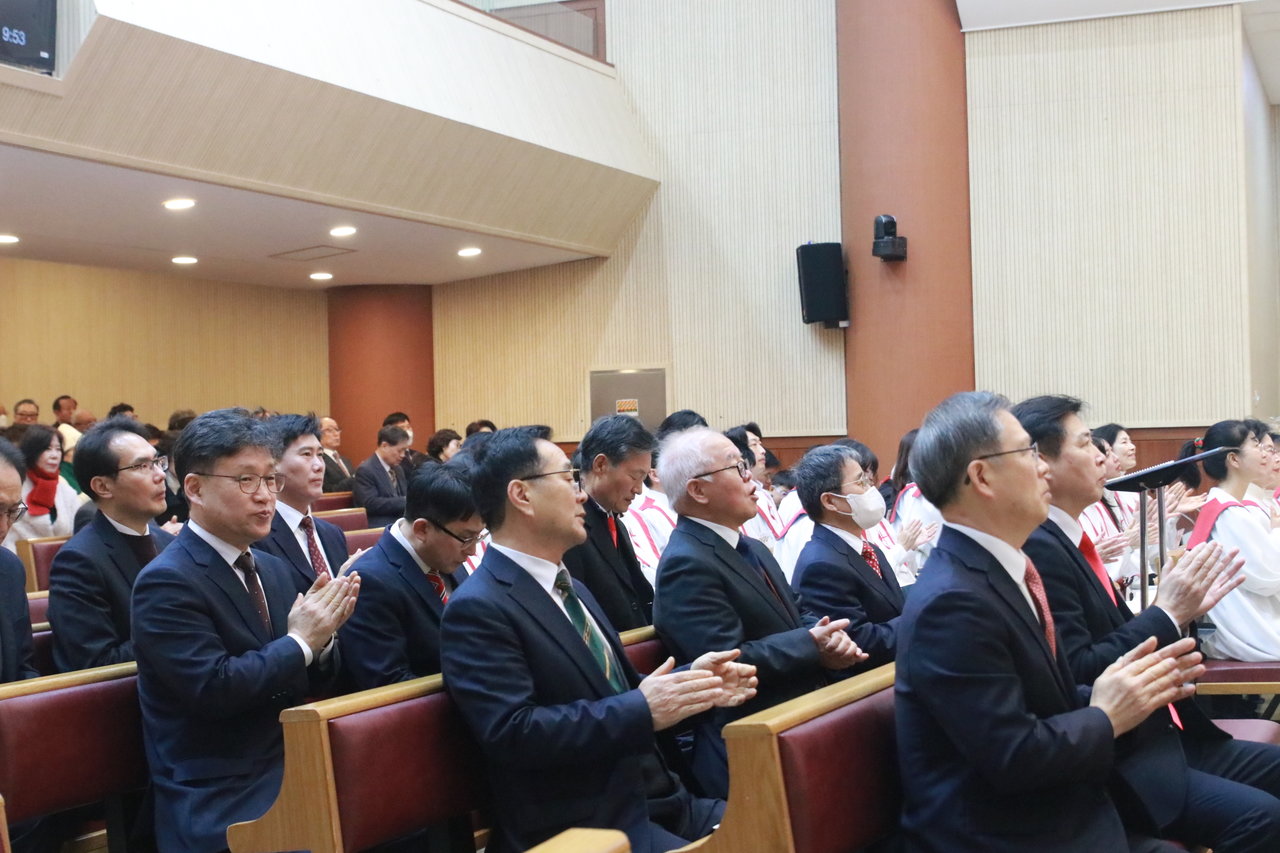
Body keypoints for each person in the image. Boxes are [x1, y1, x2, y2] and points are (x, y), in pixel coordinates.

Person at [897, 391, 1208, 852]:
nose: (1042, 467)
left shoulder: (999, 568)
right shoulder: (954, 603)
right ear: (982, 476)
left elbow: (1044, 704)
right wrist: (1106, 714)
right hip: (1002, 833)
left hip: (1055, 803)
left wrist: (1139, 689)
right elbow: (1012, 755)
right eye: (1028, 453)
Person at [440, 426, 757, 853]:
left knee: (781, 821)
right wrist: (643, 707)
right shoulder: (479, 606)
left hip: (657, 801)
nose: (581, 494)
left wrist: (691, 683)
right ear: (521, 495)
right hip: (585, 826)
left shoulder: (572, 588)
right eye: (568, 478)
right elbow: (514, 734)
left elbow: (611, 692)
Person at [1017, 394, 1280, 851]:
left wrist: (1178, 620)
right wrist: (1168, 614)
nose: (1104, 457)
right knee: (1263, 818)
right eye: (1087, 444)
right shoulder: (1042, 547)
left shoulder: (1065, 538)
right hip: (1134, 758)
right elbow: (1082, 668)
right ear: (1042, 465)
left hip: (1170, 734)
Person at [131, 408, 360, 853]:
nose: (265, 496)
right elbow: (214, 690)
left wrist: (324, 639)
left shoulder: (271, 568)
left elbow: (306, 680)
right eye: (246, 480)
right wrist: (302, 641)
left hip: (289, 760)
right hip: (218, 785)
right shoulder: (167, 581)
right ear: (194, 488)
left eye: (271, 479)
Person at [652, 426, 864, 798]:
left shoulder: (750, 546)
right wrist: (811, 644)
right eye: (737, 468)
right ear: (698, 490)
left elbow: (796, 610)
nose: (751, 477)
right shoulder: (686, 562)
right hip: (749, 742)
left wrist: (828, 636)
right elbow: (727, 662)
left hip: (797, 713)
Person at [47, 417, 175, 672]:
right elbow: (96, 663)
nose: (160, 475)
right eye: (142, 466)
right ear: (103, 486)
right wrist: (185, 632)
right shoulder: (78, 562)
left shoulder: (170, 543)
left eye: (157, 462)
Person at [341, 460, 479, 689]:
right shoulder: (370, 581)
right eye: (467, 538)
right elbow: (389, 685)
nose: (473, 550)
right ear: (422, 529)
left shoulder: (447, 552)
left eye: (478, 537)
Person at [791, 444, 904, 674]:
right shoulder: (821, 566)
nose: (871, 488)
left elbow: (893, 607)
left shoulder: (867, 548)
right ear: (830, 501)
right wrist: (923, 618)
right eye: (861, 482)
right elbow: (859, 642)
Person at [1181, 420, 1280, 661]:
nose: (1266, 454)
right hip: (1248, 629)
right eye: (1256, 445)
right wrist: (1277, 531)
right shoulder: (1230, 514)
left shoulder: (1228, 507)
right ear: (1234, 459)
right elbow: (1269, 577)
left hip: (1251, 617)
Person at [562, 415, 657, 630]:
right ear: (601, 464)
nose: (639, 490)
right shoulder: (570, 527)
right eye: (634, 477)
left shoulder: (614, 519)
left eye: (643, 480)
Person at [253, 415, 350, 595]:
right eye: (306, 454)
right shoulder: (257, 536)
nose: (319, 466)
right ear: (274, 464)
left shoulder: (333, 534)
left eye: (320, 455)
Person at [3, 424, 83, 550]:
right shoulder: (15, 489)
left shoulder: (67, 491)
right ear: (32, 451)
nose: (54, 455)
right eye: (47, 449)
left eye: (58, 449)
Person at [354, 425, 410, 528]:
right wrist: (405, 501)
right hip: (379, 524)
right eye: (400, 451)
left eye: (405, 451)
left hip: (401, 522)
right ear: (384, 446)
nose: (403, 455)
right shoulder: (366, 470)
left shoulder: (398, 469)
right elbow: (370, 503)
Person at [318, 417, 355, 492]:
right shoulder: (319, 460)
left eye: (337, 429)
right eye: (329, 430)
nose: (336, 434)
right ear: (317, 434)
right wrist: (355, 477)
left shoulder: (346, 461)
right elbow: (328, 491)